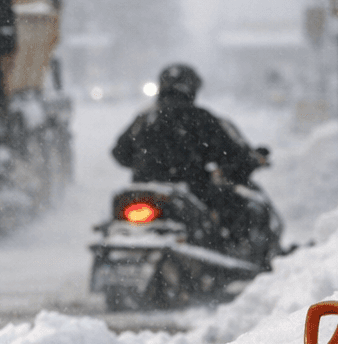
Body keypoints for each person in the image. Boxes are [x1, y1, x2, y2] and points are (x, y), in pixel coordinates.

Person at [112, 63, 268, 255]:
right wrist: (240, 163)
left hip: (143, 191)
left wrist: (148, 164)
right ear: (193, 88)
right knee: (238, 206)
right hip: (192, 189)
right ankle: (235, 252)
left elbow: (120, 154)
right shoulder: (202, 118)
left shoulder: (145, 118)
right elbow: (232, 153)